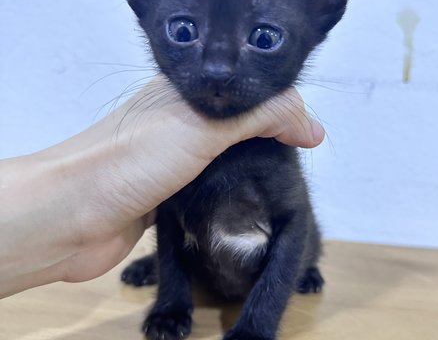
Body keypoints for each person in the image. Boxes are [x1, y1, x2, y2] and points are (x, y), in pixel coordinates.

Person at [0, 77, 324, 299]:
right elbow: (173, 222)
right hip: (203, 271)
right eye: (184, 31)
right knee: (178, 211)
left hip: (260, 276)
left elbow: (295, 225)